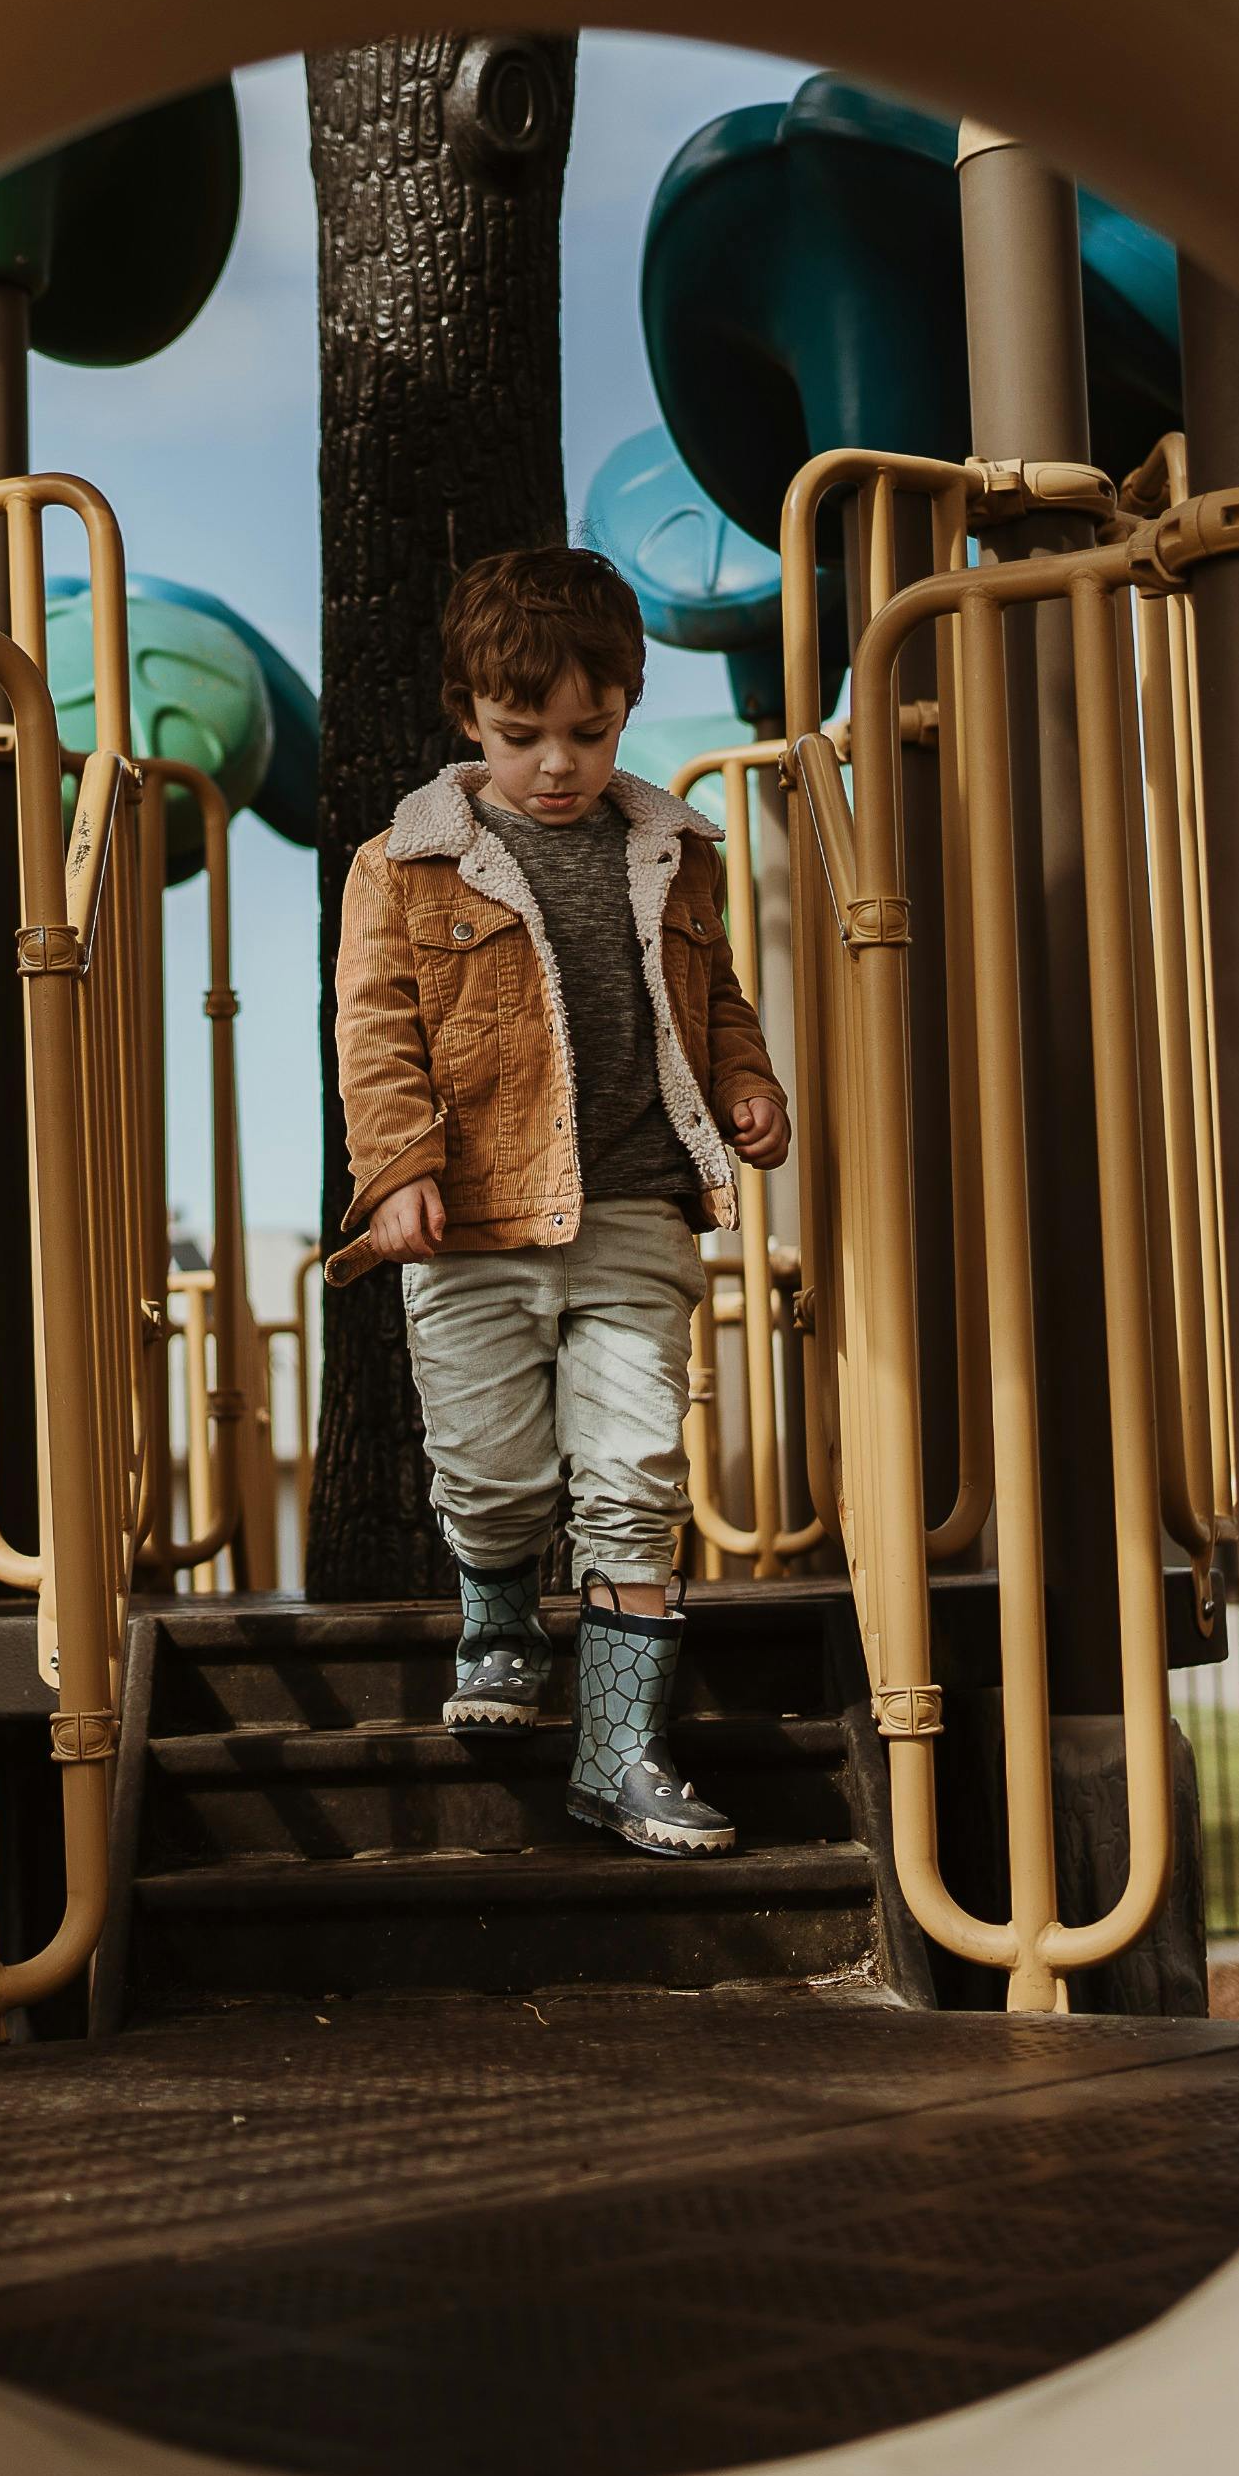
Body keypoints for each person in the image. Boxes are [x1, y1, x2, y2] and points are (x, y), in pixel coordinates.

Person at [325, 547, 790, 1857]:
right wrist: (399, 1168)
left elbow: (715, 998)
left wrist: (748, 1083)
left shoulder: (673, 851)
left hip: (635, 1209)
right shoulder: (403, 865)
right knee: (491, 1472)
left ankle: (620, 1751)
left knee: (635, 1476)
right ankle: (497, 1620)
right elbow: (375, 1032)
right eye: (524, 735)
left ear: (628, 705)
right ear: (468, 715)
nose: (558, 765)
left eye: (590, 732)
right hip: (474, 1221)